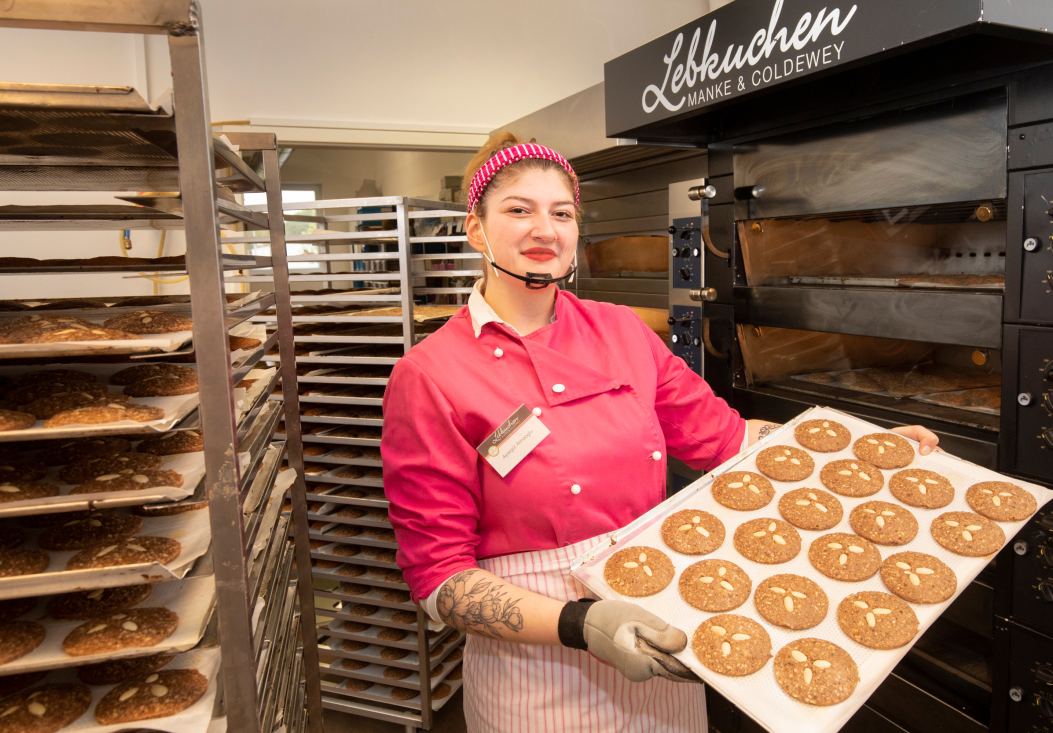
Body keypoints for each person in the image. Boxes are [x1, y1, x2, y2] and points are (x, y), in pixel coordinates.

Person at [380, 133, 939, 732]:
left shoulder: (621, 332)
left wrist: (861, 450)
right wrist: (579, 623)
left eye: (561, 213)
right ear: (476, 229)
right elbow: (438, 580)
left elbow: (729, 439)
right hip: (538, 666)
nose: (544, 230)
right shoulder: (430, 375)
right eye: (519, 210)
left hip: (657, 625)